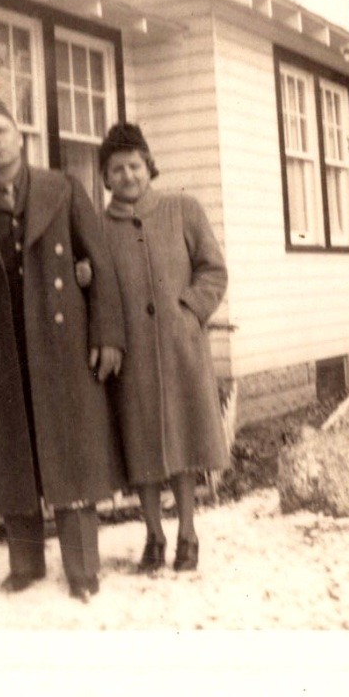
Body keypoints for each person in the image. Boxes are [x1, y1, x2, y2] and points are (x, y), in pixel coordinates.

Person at [0, 87, 126, 602]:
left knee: (72, 455)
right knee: (8, 454)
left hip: (64, 346)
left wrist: (108, 334)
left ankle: (83, 568)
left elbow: (101, 265)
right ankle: (25, 564)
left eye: (0, 131)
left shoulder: (63, 188)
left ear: (20, 137)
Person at [97, 123, 229, 573]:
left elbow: (212, 270)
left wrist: (189, 311)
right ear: (106, 177)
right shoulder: (98, 228)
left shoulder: (183, 210)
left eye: (135, 165)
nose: (128, 175)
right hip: (130, 357)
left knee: (184, 443)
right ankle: (153, 534)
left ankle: (188, 532)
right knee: (141, 448)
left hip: (180, 352)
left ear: (149, 166)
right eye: (117, 169)